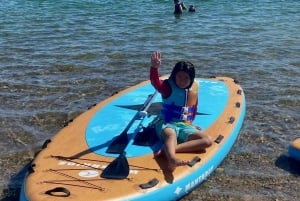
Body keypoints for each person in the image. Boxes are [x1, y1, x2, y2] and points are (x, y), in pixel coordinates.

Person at [150, 51, 212, 171]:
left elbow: (193, 108)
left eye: (186, 78)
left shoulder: (193, 89)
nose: (182, 80)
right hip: (166, 123)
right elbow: (155, 82)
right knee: (171, 135)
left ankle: (168, 149)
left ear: (191, 78)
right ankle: (172, 158)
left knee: (207, 141)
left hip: (184, 125)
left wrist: (191, 124)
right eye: (179, 76)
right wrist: (154, 68)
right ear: (174, 76)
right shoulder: (168, 87)